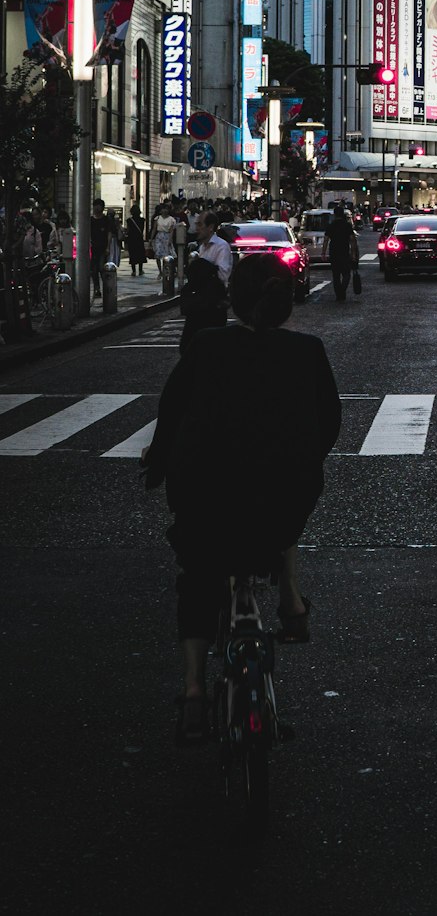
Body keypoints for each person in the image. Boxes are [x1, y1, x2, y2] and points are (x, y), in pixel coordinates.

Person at [142, 254, 342, 741]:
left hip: (206, 495)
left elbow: (171, 414)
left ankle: (192, 692)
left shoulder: (208, 346)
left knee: (199, 576)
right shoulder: (307, 351)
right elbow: (329, 422)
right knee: (281, 514)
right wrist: (303, 455)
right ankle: (291, 604)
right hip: (281, 495)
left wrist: (157, 463)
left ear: (235, 300)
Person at [178, 255, 228, 353]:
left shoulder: (190, 289)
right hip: (215, 333)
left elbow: (185, 309)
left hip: (194, 333)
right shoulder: (216, 286)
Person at [326, 202, 358, 302]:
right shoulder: (347, 225)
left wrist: (323, 252)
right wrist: (353, 254)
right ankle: (342, 290)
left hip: (334, 252)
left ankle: (339, 294)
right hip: (344, 251)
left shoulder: (331, 225)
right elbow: (352, 240)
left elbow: (326, 239)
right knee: (346, 274)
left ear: (335, 214)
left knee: (336, 275)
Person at [193, 210, 232, 289]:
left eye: (200, 225)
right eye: (196, 225)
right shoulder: (202, 247)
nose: (197, 229)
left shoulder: (222, 246)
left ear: (210, 227)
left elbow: (222, 276)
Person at [89, 198, 110, 299]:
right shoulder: (90, 220)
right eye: (95, 205)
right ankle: (97, 288)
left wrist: (108, 247)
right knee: (94, 269)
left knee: (102, 268)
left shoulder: (106, 220)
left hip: (102, 247)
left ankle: (106, 287)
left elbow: (109, 233)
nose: (97, 207)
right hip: (92, 248)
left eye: (99, 205)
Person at [152, 204, 176, 278]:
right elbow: (154, 229)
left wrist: (170, 240)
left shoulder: (171, 219)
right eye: (163, 209)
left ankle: (166, 270)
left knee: (167, 255)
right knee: (158, 254)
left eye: (166, 209)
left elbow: (172, 231)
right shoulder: (158, 218)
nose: (165, 211)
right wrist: (151, 239)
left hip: (167, 236)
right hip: (159, 236)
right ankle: (160, 271)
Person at [125, 207, 148, 276]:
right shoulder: (142, 220)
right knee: (140, 254)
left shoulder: (129, 220)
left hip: (131, 239)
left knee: (133, 255)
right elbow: (142, 229)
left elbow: (128, 230)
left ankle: (133, 271)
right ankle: (140, 270)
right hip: (139, 239)